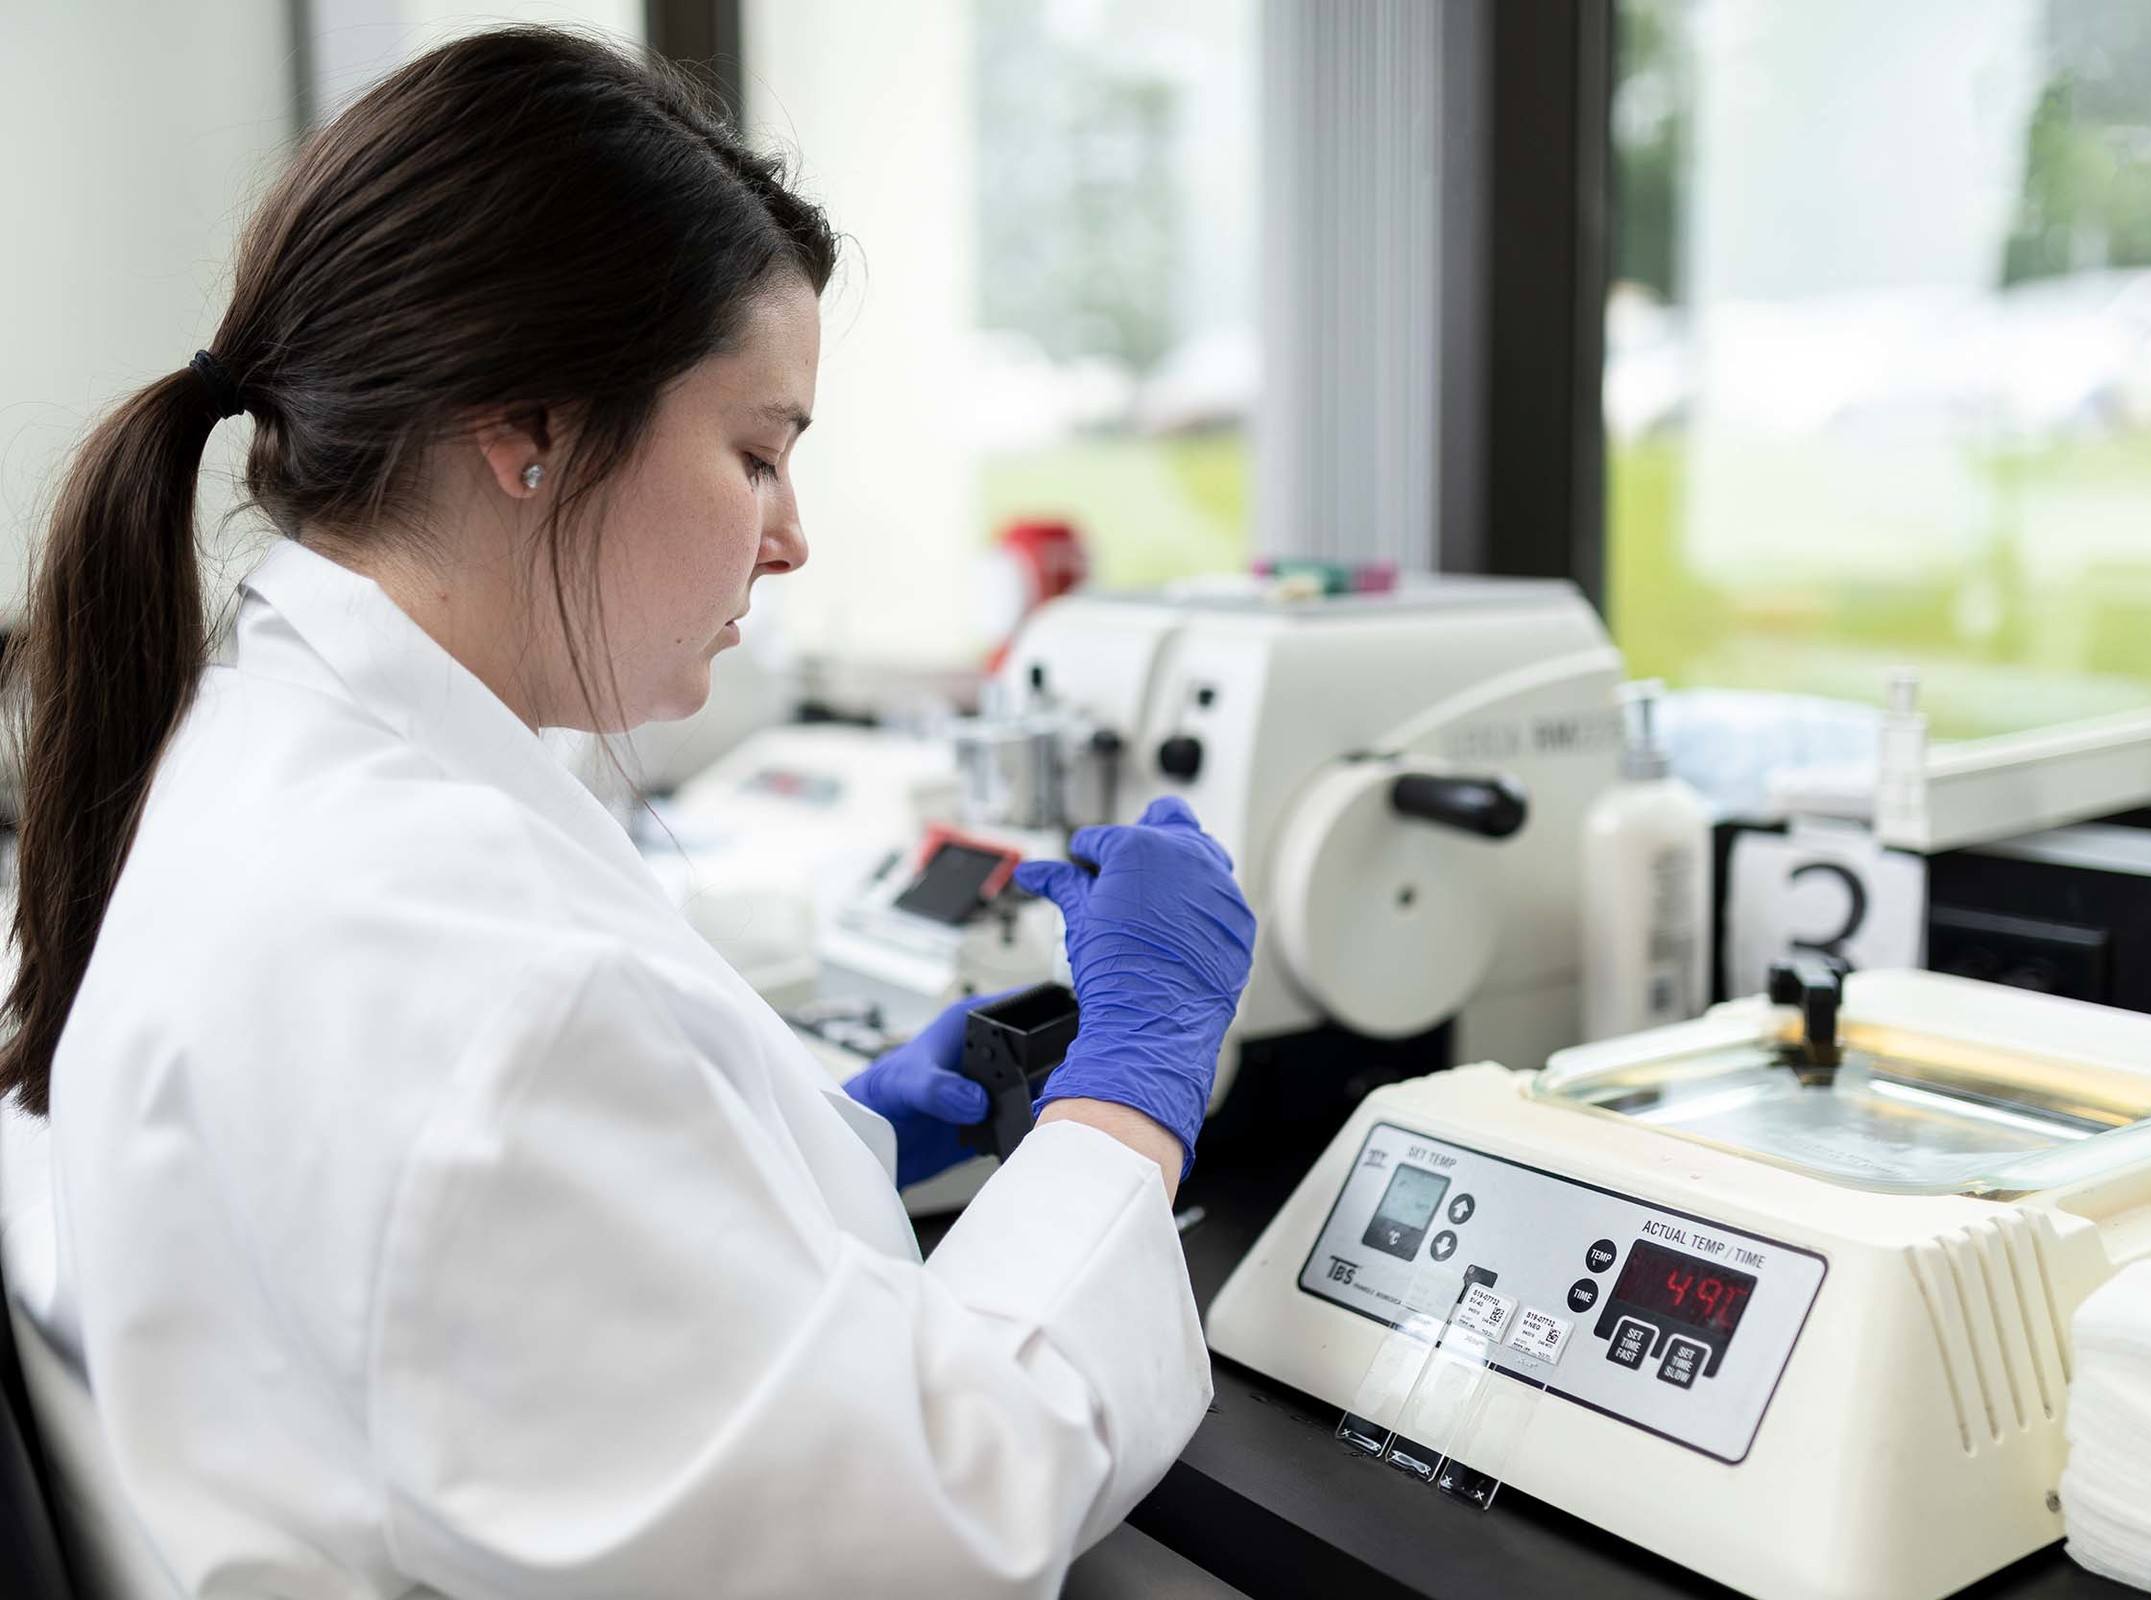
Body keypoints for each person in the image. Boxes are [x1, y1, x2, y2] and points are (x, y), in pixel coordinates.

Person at [0, 27, 1254, 1598]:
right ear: (525, 430)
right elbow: (945, 1519)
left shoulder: (261, 752)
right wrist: (1131, 1095)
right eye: (756, 453)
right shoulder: (478, 979)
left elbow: (489, 1277)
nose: (788, 538)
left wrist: (818, 1138)